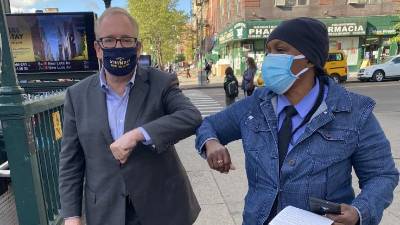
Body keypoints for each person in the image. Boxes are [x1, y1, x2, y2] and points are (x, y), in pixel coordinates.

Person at [195, 17, 398, 225]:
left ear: (309, 59)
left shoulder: (353, 111)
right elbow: (209, 126)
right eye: (269, 51)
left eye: (280, 50)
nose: (270, 58)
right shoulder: (256, 104)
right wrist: (211, 143)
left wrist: (358, 211)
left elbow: (382, 175)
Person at [59, 8, 201, 225]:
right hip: (106, 211)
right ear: (98, 48)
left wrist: (139, 134)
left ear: (138, 47)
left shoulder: (161, 82)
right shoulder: (76, 96)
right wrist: (71, 216)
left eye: (126, 40)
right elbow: (70, 162)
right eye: (109, 40)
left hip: (161, 206)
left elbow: (190, 116)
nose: (118, 46)